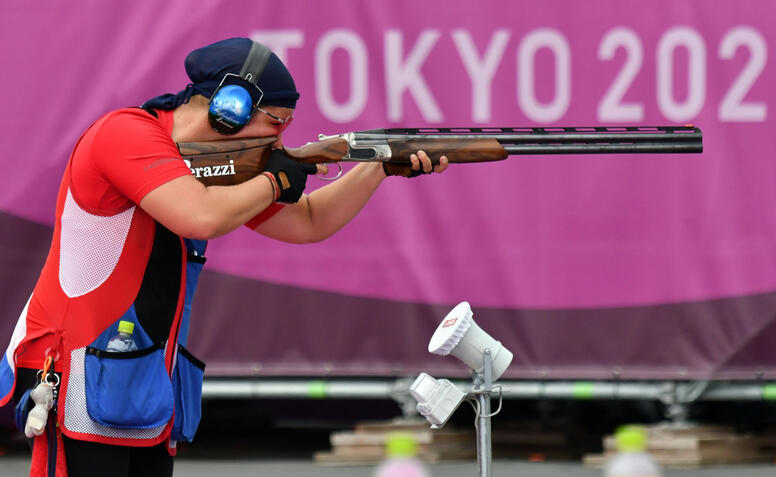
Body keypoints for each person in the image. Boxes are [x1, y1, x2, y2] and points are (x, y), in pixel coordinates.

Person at [0, 37, 448, 477]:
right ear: (230, 106)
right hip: (78, 378)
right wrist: (274, 181)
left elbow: (309, 221)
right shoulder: (124, 133)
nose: (281, 137)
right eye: (276, 121)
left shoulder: (211, 170)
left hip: (142, 387)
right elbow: (200, 217)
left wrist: (379, 165)